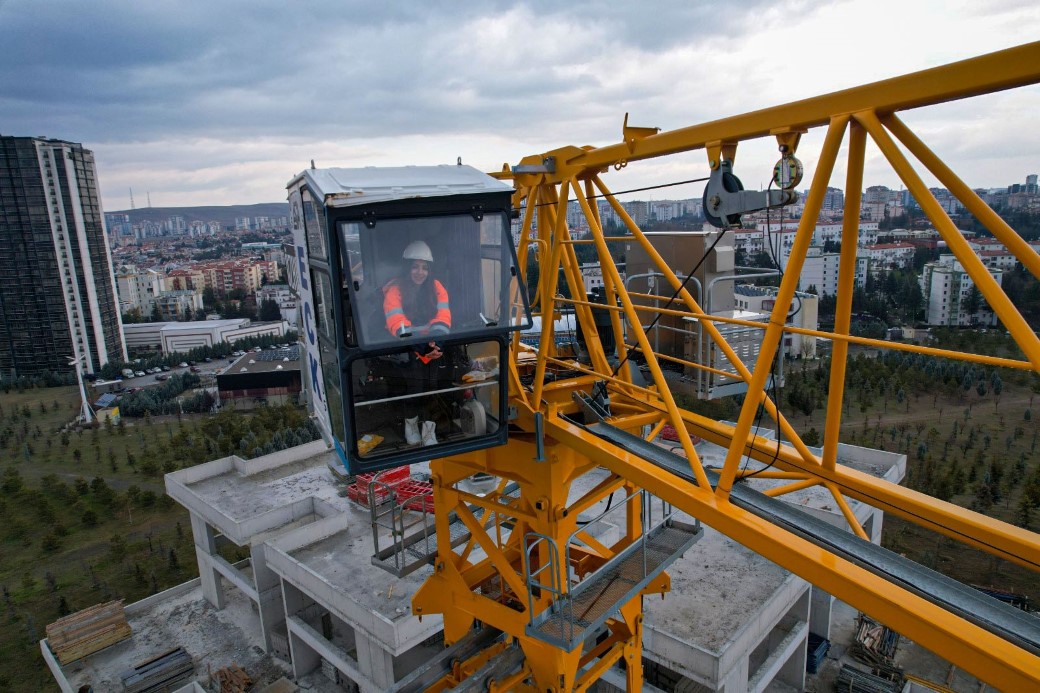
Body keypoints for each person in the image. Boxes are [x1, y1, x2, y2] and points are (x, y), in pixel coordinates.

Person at [381, 241, 452, 446]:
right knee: (414, 388)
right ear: (407, 268)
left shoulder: (436, 287)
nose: (420, 272)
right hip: (407, 347)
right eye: (415, 266)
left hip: (431, 346)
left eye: (424, 267)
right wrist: (425, 348)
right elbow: (397, 323)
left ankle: (429, 430)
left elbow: (443, 317)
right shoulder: (394, 290)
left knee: (432, 388)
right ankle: (411, 425)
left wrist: (435, 345)